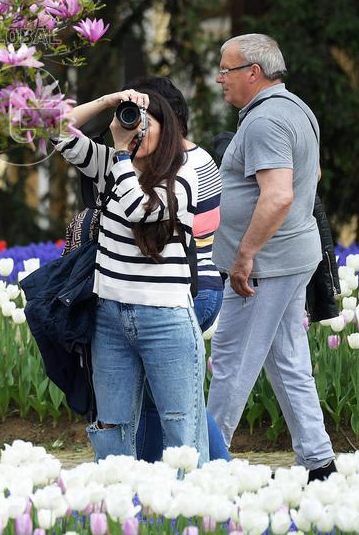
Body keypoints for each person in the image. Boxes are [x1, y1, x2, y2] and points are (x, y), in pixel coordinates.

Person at [207, 33, 336, 481]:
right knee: (288, 362)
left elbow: (278, 195)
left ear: (253, 73)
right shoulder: (296, 108)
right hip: (291, 257)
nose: (220, 78)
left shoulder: (265, 121)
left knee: (231, 360)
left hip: (265, 267)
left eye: (226, 69)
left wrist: (245, 257)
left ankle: (206, 463)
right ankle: (319, 463)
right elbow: (312, 173)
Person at [55, 88, 208, 463]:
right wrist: (108, 102)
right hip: (109, 317)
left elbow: (142, 209)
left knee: (181, 429)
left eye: (145, 123)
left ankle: (194, 515)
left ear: (167, 129)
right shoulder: (114, 164)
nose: (135, 129)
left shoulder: (186, 172)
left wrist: (122, 153)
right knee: (111, 427)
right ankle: (119, 511)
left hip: (166, 320)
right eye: (131, 120)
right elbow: (56, 128)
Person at [127, 76, 230, 463]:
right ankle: (153, 478)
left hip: (187, 289)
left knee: (177, 397)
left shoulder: (177, 163)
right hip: (205, 285)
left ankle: (219, 472)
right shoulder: (199, 157)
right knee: (159, 394)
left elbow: (151, 228)